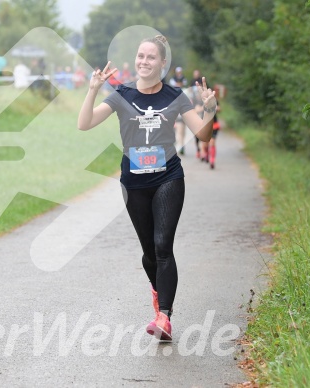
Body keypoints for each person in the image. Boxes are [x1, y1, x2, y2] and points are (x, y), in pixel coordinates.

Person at [77, 35, 216, 341]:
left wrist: (210, 109)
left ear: (163, 63)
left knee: (163, 246)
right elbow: (84, 124)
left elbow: (203, 136)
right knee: (150, 253)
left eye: (151, 57)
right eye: (140, 56)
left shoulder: (175, 96)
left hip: (168, 178)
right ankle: (158, 292)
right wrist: (92, 91)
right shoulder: (121, 95)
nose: (144, 62)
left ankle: (164, 317)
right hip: (134, 182)